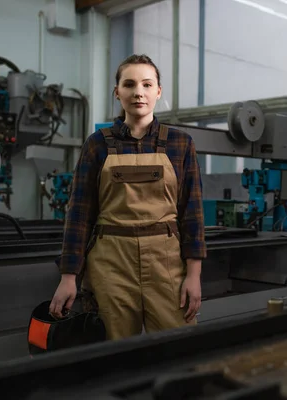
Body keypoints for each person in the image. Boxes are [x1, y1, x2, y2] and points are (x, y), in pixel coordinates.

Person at [48, 54, 206, 341]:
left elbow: (192, 214)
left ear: (158, 91)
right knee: (114, 353)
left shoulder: (181, 143)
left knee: (179, 348)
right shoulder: (97, 145)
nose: (138, 92)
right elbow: (79, 215)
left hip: (166, 264)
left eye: (147, 84)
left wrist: (194, 276)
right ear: (117, 92)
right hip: (111, 264)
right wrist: (68, 277)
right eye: (129, 84)